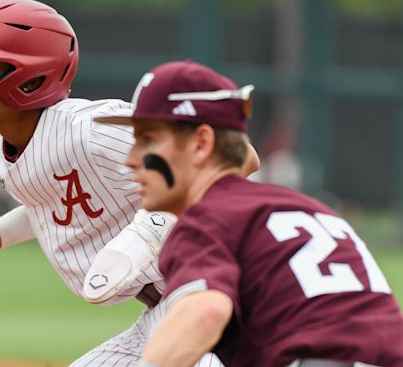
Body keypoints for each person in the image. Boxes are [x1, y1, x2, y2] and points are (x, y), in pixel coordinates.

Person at [0, 0, 260, 366]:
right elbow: (59, 200)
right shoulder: (2, 144)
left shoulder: (90, 129)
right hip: (167, 309)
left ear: (28, 76)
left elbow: (240, 156)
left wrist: (151, 229)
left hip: (226, 301)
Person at [95, 60, 403, 367]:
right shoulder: (309, 209)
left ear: (201, 144)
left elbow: (205, 312)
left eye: (148, 140)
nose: (132, 159)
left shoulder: (207, 218)